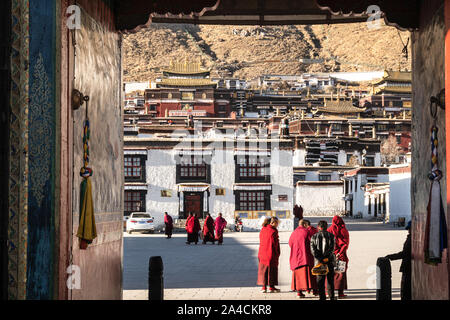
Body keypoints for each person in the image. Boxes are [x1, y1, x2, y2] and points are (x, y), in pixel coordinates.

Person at [289, 220, 316, 298]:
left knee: (297, 274)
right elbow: (312, 242)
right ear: (304, 224)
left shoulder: (294, 232)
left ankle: (299, 292)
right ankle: (310, 289)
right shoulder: (306, 232)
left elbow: (290, 243)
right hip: (305, 256)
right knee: (308, 274)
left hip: (295, 257)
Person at [385, 220, 411, 300]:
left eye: (409, 229)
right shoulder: (411, 238)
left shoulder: (411, 239)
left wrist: (390, 257)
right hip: (408, 267)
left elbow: (405, 253)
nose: (408, 231)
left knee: (406, 291)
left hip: (408, 267)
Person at [310, 220, 336, 300]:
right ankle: (331, 296)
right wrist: (326, 257)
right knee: (330, 281)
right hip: (329, 261)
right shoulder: (331, 236)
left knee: (320, 281)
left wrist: (320, 258)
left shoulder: (314, 237)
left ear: (318, 227)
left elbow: (313, 250)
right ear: (326, 227)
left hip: (319, 262)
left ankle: (322, 297)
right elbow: (332, 249)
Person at [327, 215, 350, 298]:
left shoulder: (329, 230)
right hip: (341, 255)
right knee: (340, 274)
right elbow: (345, 243)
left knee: (330, 273)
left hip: (330, 255)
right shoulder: (343, 230)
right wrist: (339, 253)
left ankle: (328, 292)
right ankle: (340, 293)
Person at [257, 217, 281, 293]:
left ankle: (264, 287)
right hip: (271, 253)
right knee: (272, 270)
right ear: (272, 223)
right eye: (276, 223)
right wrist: (277, 252)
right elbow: (275, 243)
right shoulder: (273, 231)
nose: (277, 224)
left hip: (262, 253)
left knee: (264, 270)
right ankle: (271, 287)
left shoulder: (263, 229)